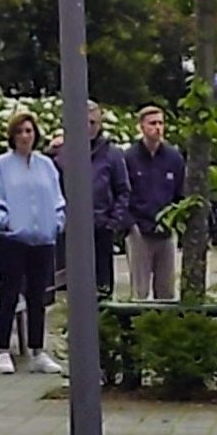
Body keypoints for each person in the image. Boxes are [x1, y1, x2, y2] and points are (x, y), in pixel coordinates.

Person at [0, 110, 65, 376]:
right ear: (12, 136)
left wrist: (57, 222)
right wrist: (7, 223)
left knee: (38, 297)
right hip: (12, 241)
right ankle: (3, 350)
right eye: (19, 132)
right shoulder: (1, 166)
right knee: (9, 294)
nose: (25, 136)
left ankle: (38, 351)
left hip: (43, 241)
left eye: (29, 131)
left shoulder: (46, 165)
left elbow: (57, 199)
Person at [124, 104, 184, 301]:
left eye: (160, 123)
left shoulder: (174, 158)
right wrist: (130, 224)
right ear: (141, 126)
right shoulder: (129, 158)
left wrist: (175, 222)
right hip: (140, 231)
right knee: (139, 291)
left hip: (166, 232)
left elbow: (179, 193)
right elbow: (123, 193)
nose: (157, 128)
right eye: (152, 123)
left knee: (166, 290)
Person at [84, 103, 131, 298]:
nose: (88, 127)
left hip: (102, 227)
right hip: (73, 229)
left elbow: (123, 190)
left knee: (103, 286)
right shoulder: (65, 151)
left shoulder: (112, 153)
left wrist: (113, 222)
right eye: (84, 122)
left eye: (93, 122)